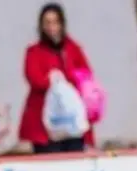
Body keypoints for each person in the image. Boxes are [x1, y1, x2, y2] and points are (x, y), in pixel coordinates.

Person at [19, 2, 95, 153]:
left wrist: (68, 80)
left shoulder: (73, 48)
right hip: (44, 124)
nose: (51, 27)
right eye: (47, 22)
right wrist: (52, 80)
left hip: (73, 122)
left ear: (62, 24)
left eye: (55, 22)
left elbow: (85, 76)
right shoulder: (34, 51)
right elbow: (34, 79)